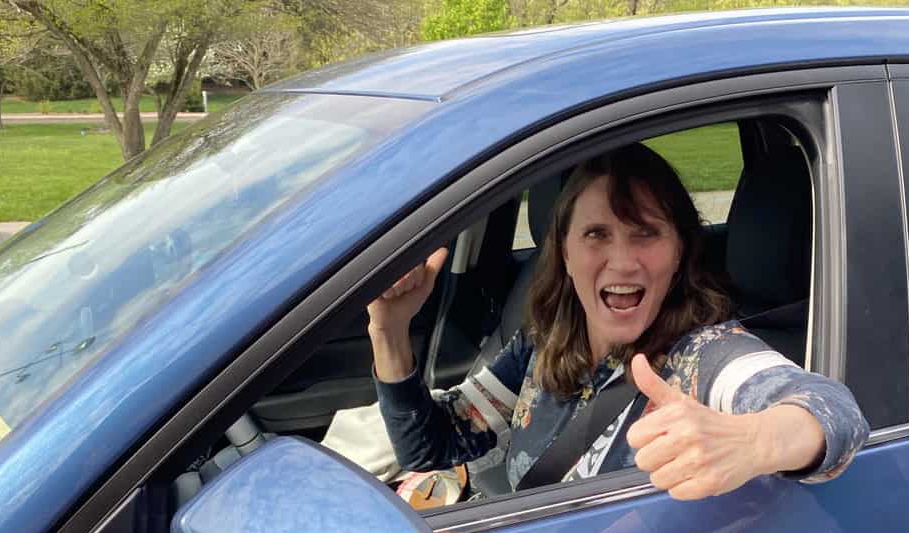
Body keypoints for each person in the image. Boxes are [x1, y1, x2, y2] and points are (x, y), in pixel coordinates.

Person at [366, 143, 869, 499]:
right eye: (597, 235)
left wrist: (755, 441)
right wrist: (389, 332)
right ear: (564, 252)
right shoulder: (544, 339)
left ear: (679, 252)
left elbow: (832, 411)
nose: (624, 262)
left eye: (646, 233)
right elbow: (433, 446)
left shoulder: (705, 354)